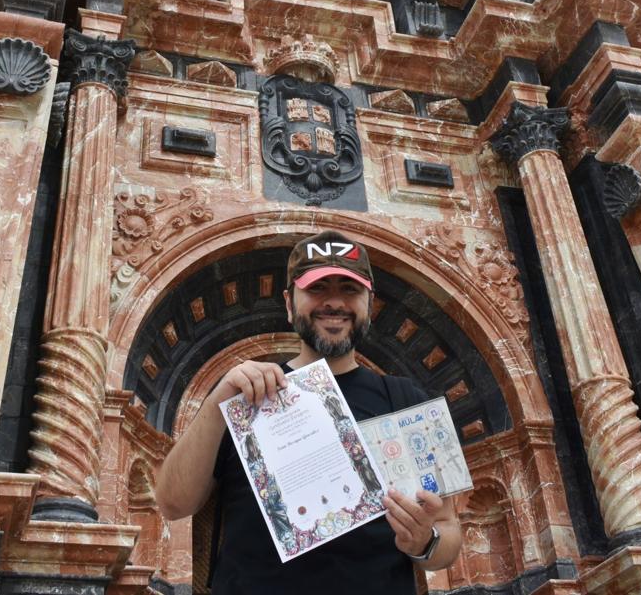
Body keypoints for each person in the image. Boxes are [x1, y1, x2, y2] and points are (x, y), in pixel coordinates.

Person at [155, 231, 460, 595]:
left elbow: (448, 530)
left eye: (350, 289)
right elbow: (173, 503)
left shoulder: (406, 400)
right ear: (288, 302)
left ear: (370, 303)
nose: (334, 302)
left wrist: (424, 542)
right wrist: (220, 398)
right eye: (317, 289)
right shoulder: (247, 395)